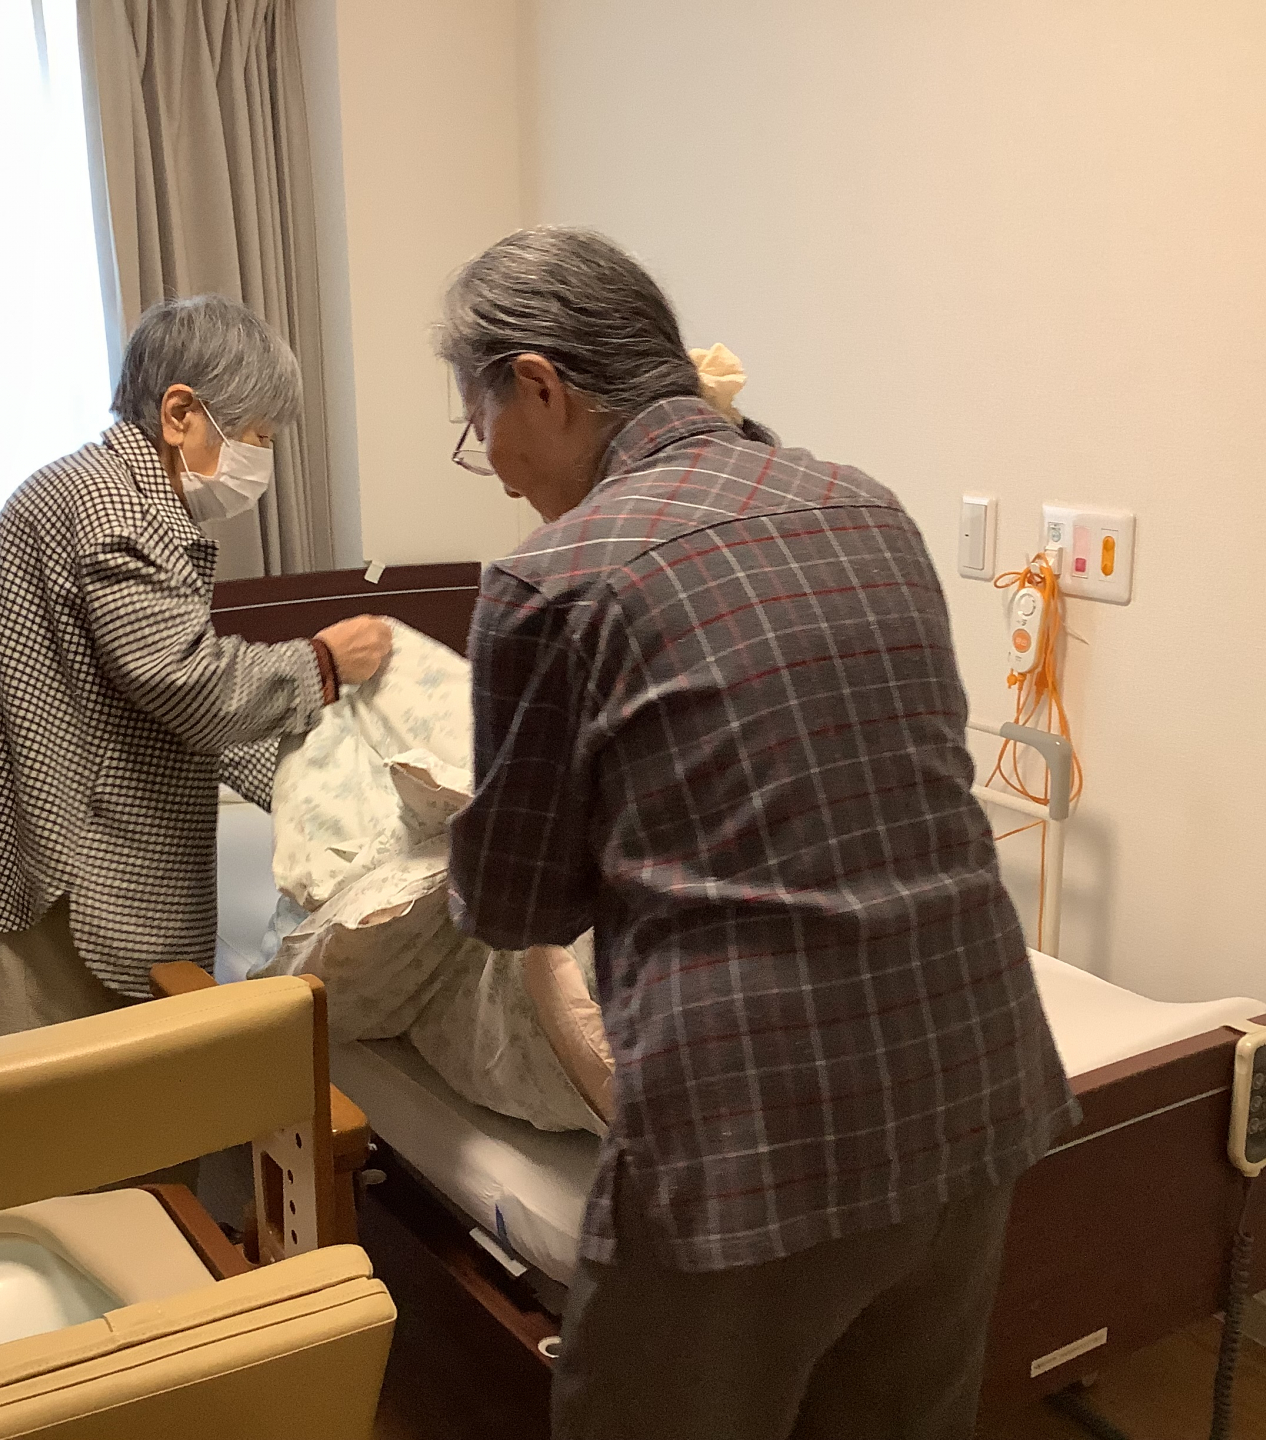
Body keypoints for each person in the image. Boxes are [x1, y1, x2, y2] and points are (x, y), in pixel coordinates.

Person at [440, 228, 1078, 1440]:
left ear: (539, 384)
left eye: (483, 433)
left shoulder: (554, 580)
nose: (501, 471)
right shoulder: (866, 505)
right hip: (975, 1082)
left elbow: (515, 906)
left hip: (754, 1140)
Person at [0, 295, 391, 1041]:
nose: (261, 462)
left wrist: (312, 785)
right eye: (256, 437)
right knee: (64, 1096)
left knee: (74, 1093)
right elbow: (189, 686)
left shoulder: (93, 488)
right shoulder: (117, 511)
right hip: (50, 865)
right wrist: (322, 661)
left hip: (29, 831)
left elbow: (147, 700)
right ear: (180, 413)